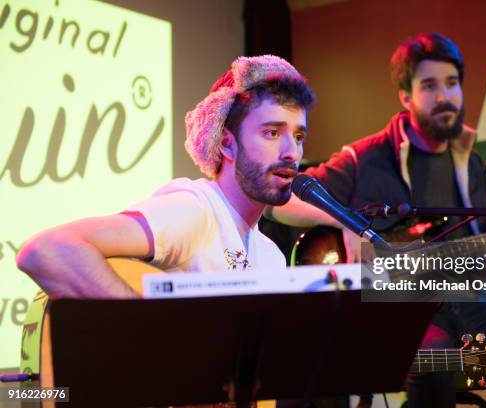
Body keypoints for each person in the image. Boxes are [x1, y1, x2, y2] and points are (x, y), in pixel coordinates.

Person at [267, 33, 486, 407]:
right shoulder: (365, 156)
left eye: (452, 84)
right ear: (406, 96)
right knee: (434, 363)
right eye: (429, 86)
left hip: (472, 308)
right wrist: (346, 222)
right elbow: (281, 202)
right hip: (398, 309)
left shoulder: (470, 162)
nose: (445, 96)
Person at [16, 55, 315, 299]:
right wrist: (149, 331)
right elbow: (45, 249)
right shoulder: (195, 211)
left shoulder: (271, 258)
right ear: (226, 143)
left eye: (299, 136)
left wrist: (364, 259)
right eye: (272, 133)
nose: (292, 152)